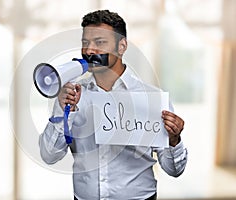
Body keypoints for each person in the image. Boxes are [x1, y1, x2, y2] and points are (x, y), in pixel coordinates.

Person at [39, 10, 187, 200]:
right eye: (85, 43)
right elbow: (49, 156)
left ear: (121, 46)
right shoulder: (72, 96)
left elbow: (174, 170)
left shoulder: (152, 98)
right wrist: (62, 112)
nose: (90, 51)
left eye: (100, 42)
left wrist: (174, 140)